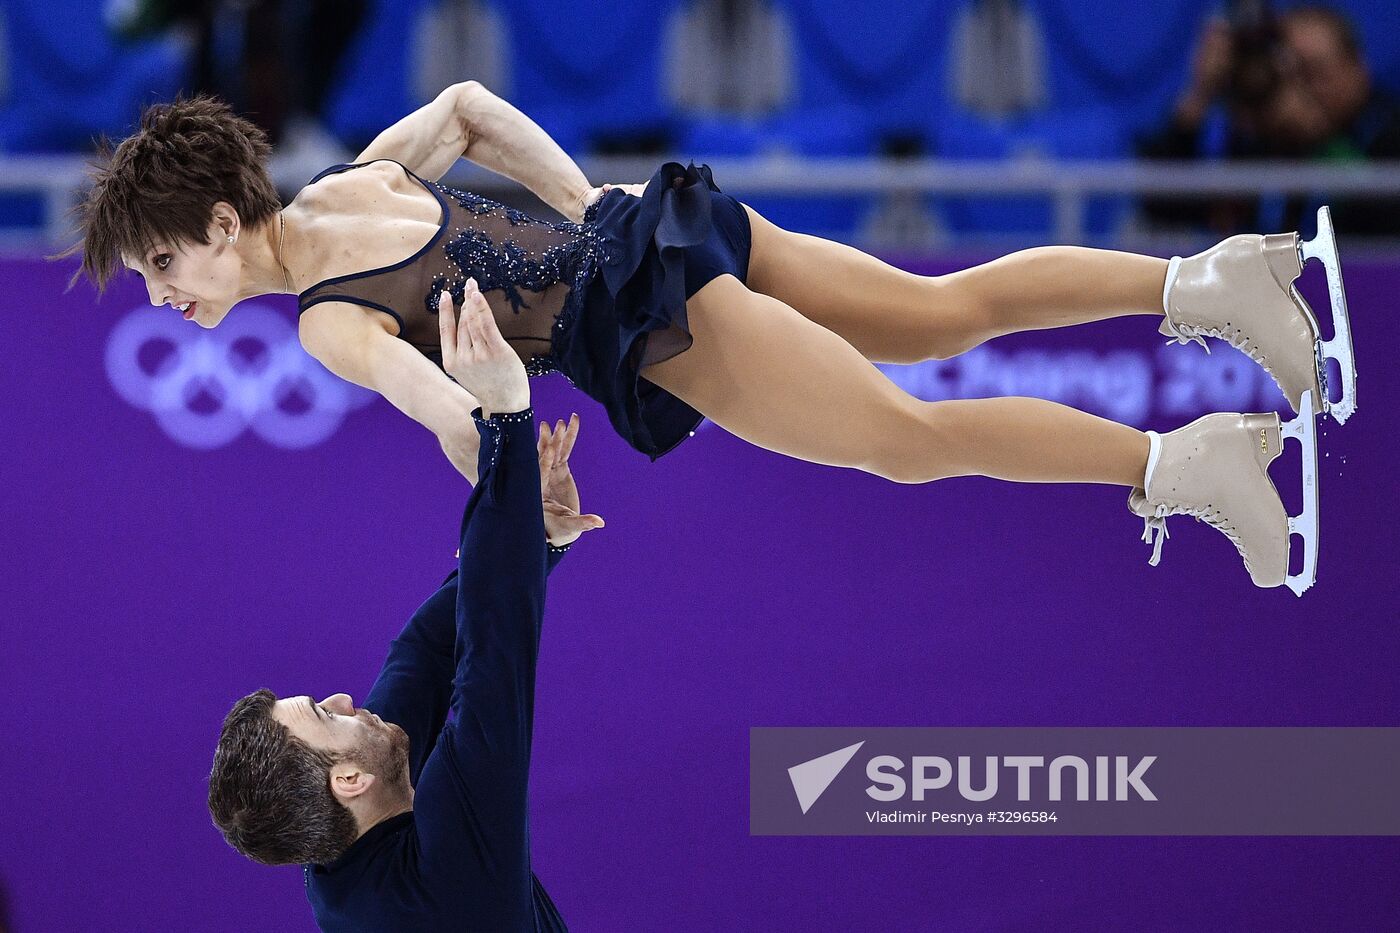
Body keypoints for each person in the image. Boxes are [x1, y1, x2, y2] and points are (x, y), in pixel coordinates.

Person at [62, 84, 1351, 591]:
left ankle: (1187, 466)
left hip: (653, 325)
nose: (166, 294)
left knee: (905, 439)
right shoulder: (350, 178)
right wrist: (595, 212)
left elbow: (460, 419)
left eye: (167, 262)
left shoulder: (332, 326)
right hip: (672, 235)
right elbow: (465, 108)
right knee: (944, 308)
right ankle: (1215, 281)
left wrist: (536, 506)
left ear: (225, 220)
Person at [208, 288, 601, 930]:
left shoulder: (337, 839)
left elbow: (423, 656)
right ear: (349, 781)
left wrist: (536, 538)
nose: (339, 698)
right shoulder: (450, 880)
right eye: (321, 715)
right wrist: (505, 410)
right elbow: (493, 654)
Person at [1138, 5, 1400, 235]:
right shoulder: (1252, 139)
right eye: (1285, 71)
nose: (1296, 88)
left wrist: (1317, 140)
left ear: (1357, 69)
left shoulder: (1387, 133)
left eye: (1312, 72)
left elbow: (1374, 233)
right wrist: (1199, 95)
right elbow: (1161, 209)